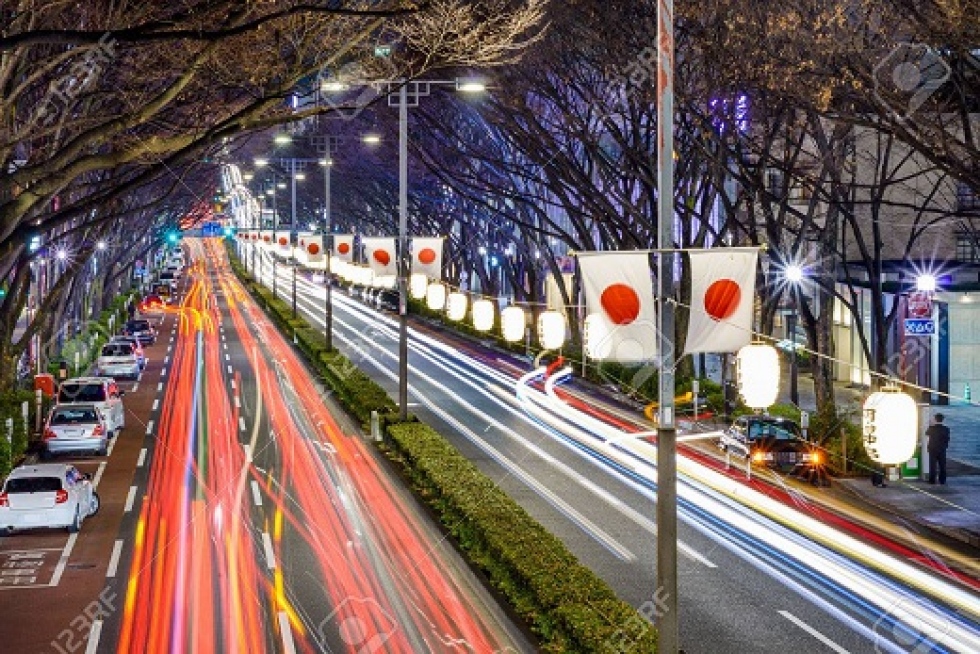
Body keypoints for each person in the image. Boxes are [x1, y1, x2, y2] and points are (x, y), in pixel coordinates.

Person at [926, 413, 951, 485]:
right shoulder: (946, 429)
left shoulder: (932, 428)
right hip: (942, 449)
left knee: (932, 465)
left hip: (932, 449)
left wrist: (930, 424)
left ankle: (932, 480)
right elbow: (947, 439)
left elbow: (926, 433)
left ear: (935, 419)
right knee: (942, 465)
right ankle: (942, 480)